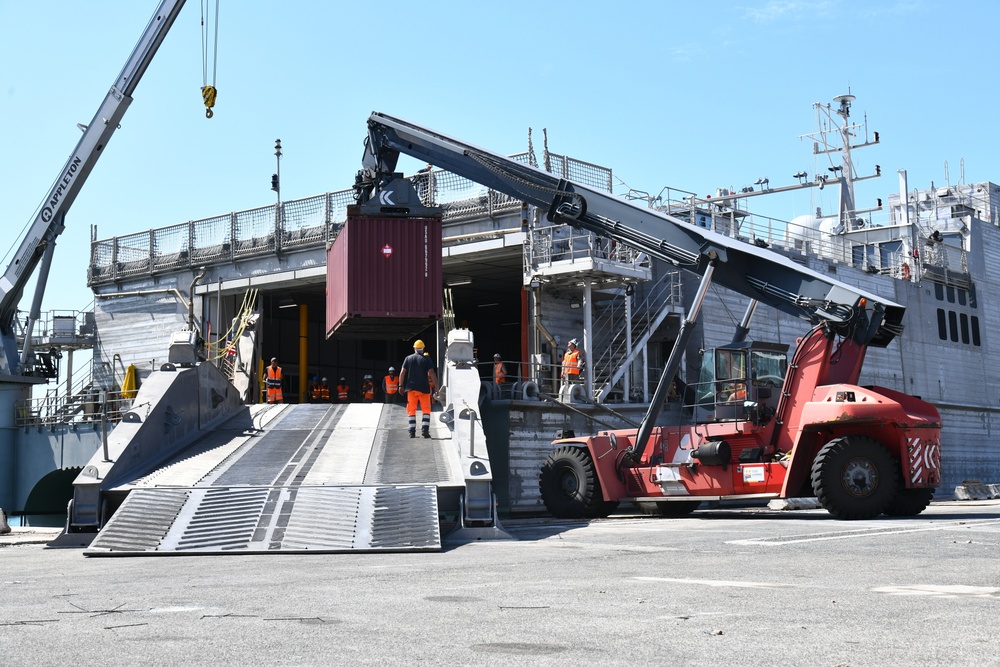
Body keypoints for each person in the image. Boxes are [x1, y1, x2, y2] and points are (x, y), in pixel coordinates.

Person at [399, 339, 438, 438]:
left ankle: (412, 431)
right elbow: (432, 373)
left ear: (414, 348)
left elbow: (402, 373)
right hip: (424, 389)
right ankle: (425, 430)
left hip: (411, 389)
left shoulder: (408, 358)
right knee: (426, 410)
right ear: (423, 348)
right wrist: (437, 387)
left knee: (411, 410)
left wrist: (400, 385)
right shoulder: (426, 359)